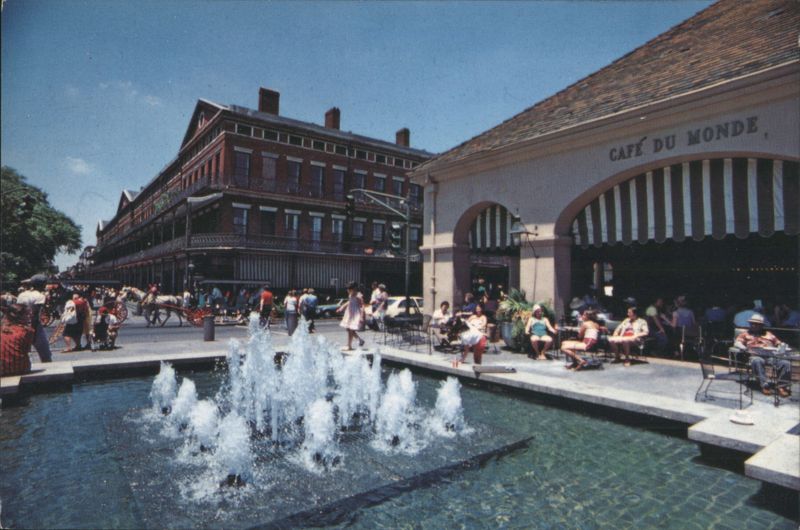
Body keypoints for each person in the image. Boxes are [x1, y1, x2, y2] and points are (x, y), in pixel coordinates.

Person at [734, 314, 791, 397]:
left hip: (770, 356)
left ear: (761, 325)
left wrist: (781, 347)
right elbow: (737, 343)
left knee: (785, 363)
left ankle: (782, 386)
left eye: (756, 324)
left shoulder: (769, 334)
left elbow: (779, 343)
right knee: (757, 361)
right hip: (755, 355)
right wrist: (744, 348)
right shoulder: (745, 334)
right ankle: (764, 385)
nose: (753, 325)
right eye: (752, 323)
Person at [16, 274, 52, 363]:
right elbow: (34, 314)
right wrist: (33, 331)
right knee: (45, 355)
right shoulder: (40, 296)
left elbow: (18, 311)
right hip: (34, 326)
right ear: (42, 285)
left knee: (22, 353)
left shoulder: (22, 295)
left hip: (20, 325)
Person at [338, 281, 365, 350]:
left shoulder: (358, 295)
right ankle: (359, 340)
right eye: (348, 289)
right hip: (349, 313)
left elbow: (362, 306)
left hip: (355, 314)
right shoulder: (351, 294)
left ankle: (349, 346)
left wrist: (362, 316)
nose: (348, 290)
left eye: (350, 289)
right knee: (348, 329)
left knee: (350, 329)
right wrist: (342, 307)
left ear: (355, 289)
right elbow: (349, 301)